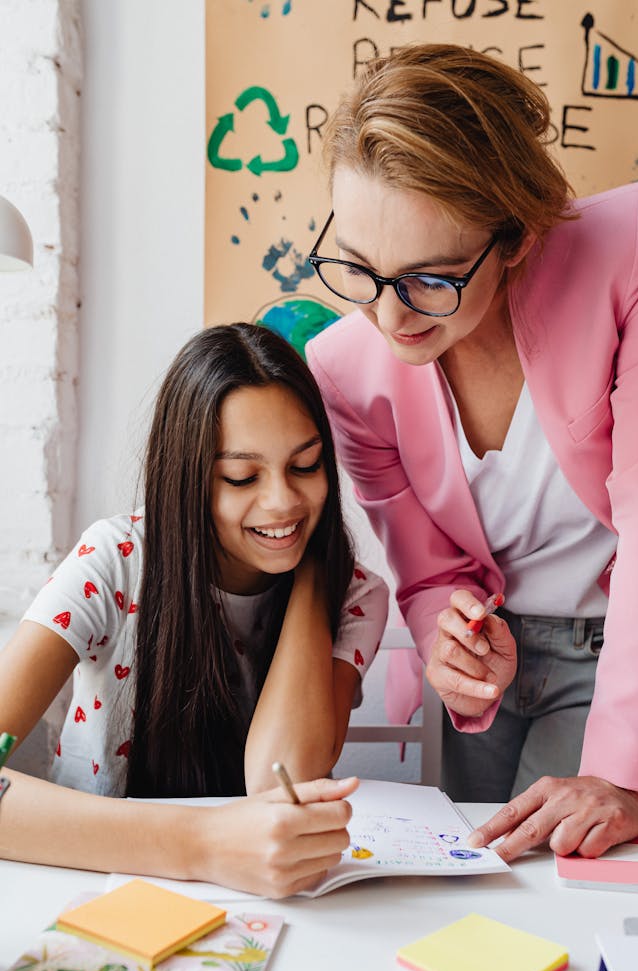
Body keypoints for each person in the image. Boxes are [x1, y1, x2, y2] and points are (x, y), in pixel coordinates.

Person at [305, 43, 638, 863]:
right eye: (361, 270)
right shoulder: (345, 369)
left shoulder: (637, 244)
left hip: (624, 656)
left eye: (429, 279)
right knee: (471, 893)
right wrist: (447, 641)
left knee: (567, 891)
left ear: (515, 238)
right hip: (493, 671)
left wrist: (622, 772)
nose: (391, 318)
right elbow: (426, 570)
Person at [0, 322, 388, 897]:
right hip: (96, 887)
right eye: (241, 476)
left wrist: (309, 569)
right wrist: (203, 844)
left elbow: (281, 778)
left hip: (266, 900)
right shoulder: (115, 561)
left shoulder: (354, 594)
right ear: (187, 481)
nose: (282, 499)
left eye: (305, 466)